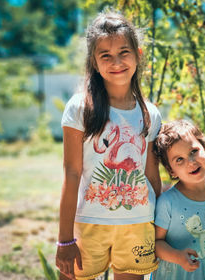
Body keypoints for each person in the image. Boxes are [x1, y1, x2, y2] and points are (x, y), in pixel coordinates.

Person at [55, 11, 162, 280]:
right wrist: (64, 240)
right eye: (105, 55)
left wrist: (161, 230)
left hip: (138, 224)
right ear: (94, 61)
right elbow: (71, 173)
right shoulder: (80, 108)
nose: (116, 62)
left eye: (123, 52)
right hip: (90, 224)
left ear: (137, 54)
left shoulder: (149, 112)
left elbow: (152, 176)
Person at [152, 120, 205, 280]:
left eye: (193, 151)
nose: (190, 162)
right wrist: (178, 257)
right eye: (179, 160)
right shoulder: (168, 202)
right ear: (171, 170)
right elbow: (156, 243)